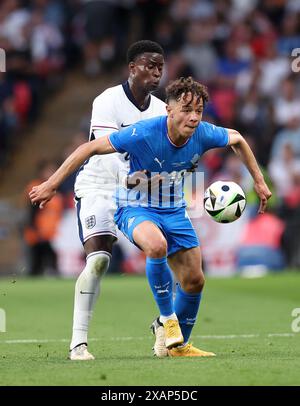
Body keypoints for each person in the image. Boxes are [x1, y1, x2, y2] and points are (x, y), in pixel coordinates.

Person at [29, 76, 272, 357]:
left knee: (195, 280)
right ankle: (168, 320)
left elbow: (238, 139)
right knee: (156, 246)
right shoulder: (144, 132)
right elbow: (89, 147)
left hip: (174, 209)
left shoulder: (204, 133)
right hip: (134, 206)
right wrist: (52, 183)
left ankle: (177, 345)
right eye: (186, 110)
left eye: (199, 111)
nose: (194, 117)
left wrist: (259, 180)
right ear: (169, 110)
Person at [34, 40, 166, 360]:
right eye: (150, 65)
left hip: (141, 188)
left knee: (168, 250)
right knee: (100, 259)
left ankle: (164, 323)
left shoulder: (162, 110)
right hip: (99, 185)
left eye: (160, 67)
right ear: (132, 68)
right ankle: (78, 343)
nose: (156, 72)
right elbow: (104, 153)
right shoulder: (107, 101)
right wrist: (139, 181)